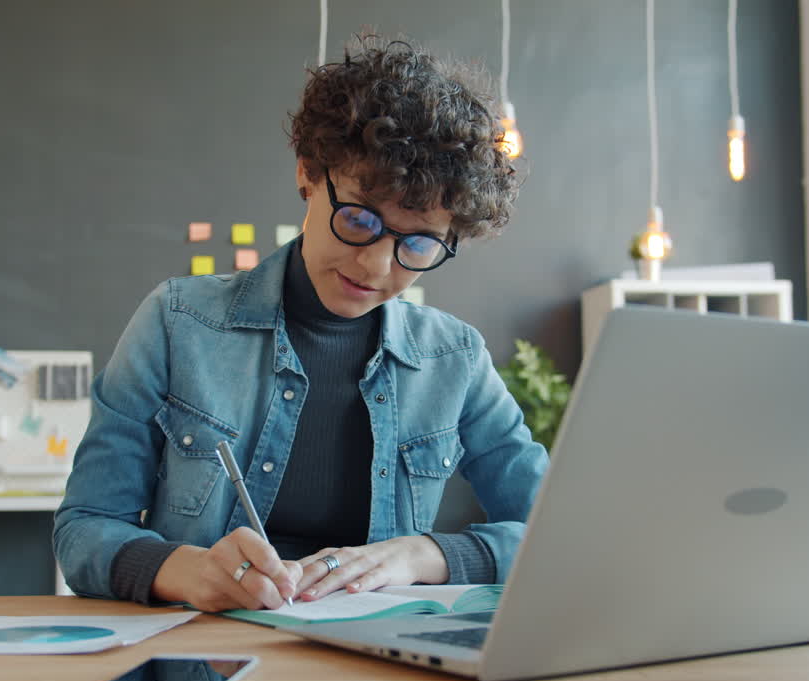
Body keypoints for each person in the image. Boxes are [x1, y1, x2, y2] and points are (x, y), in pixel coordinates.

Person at [54, 35, 547, 613]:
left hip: (379, 670)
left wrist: (422, 556)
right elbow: (84, 527)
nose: (375, 265)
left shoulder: (454, 358)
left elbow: (555, 532)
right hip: (208, 661)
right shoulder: (177, 322)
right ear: (309, 174)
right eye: (359, 219)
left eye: (417, 244)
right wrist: (182, 569)